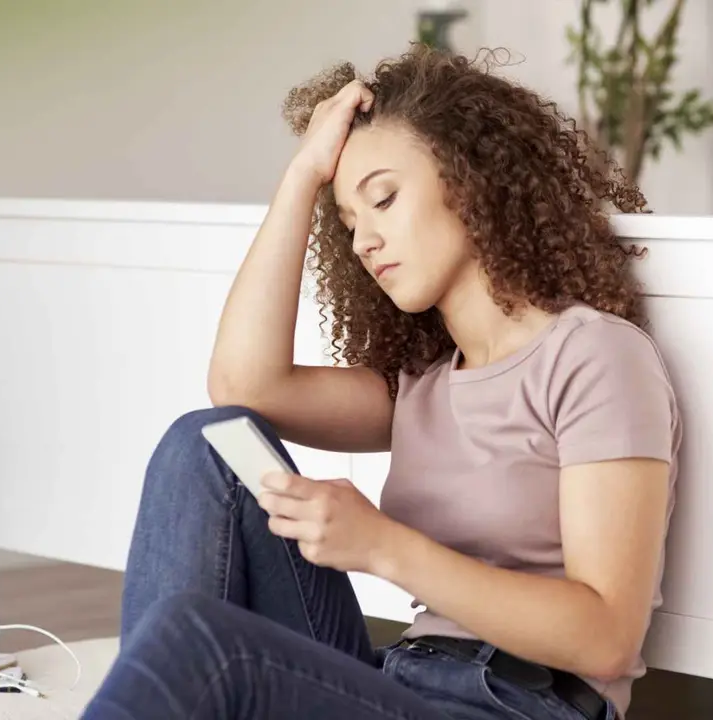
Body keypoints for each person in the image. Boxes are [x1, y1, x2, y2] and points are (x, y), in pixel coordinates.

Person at [81, 44, 681, 720]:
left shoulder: (595, 356)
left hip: (516, 704)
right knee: (208, 444)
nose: (364, 241)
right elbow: (242, 385)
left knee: (205, 646)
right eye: (349, 224)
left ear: (471, 179)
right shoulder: (424, 384)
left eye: (384, 200)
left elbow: (605, 640)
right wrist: (303, 176)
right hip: (401, 682)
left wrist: (382, 546)